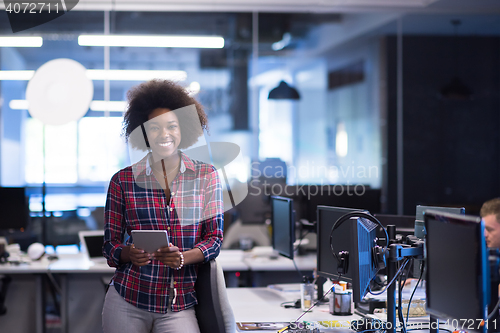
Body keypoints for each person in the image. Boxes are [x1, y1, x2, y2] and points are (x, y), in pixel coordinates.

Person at [102, 79, 224, 333]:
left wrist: (182, 258)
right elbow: (110, 245)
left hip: (179, 305)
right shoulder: (122, 181)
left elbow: (214, 239)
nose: (164, 134)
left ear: (184, 128)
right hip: (128, 300)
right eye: (154, 127)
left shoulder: (206, 176)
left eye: (172, 126)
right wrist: (127, 253)